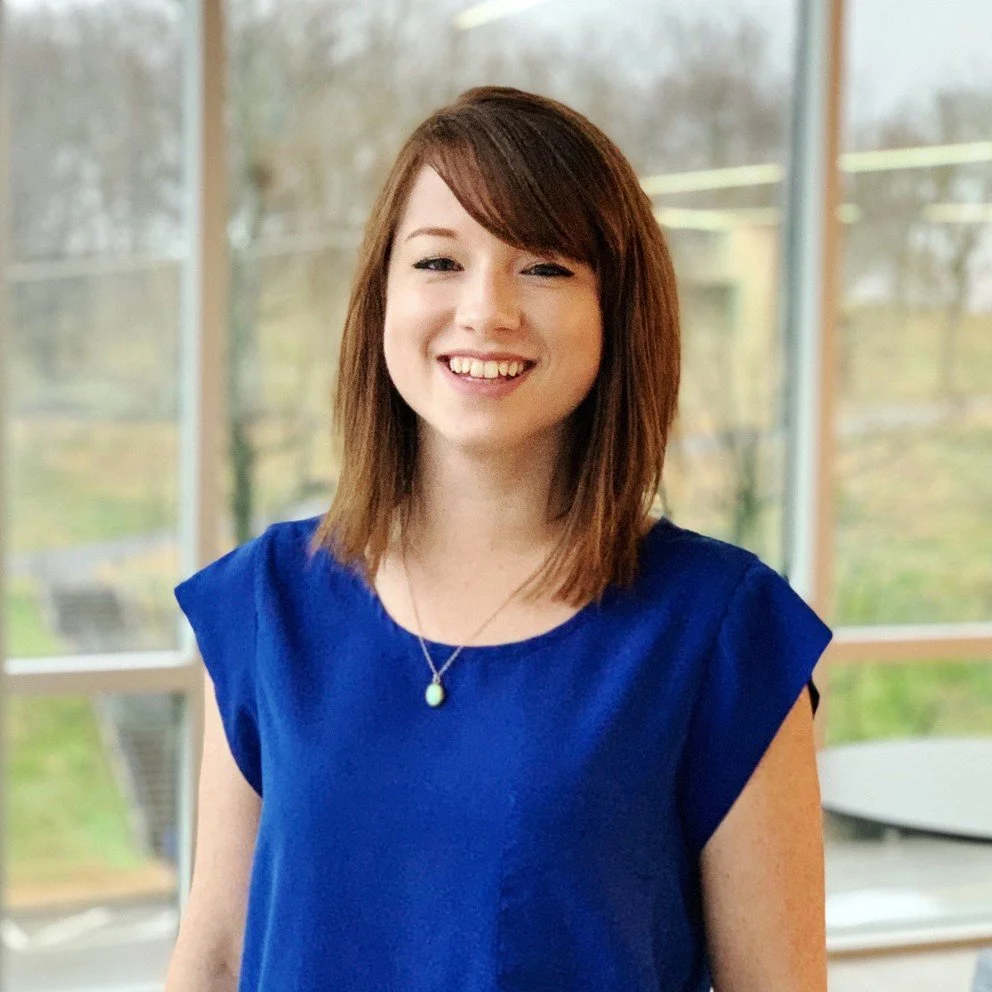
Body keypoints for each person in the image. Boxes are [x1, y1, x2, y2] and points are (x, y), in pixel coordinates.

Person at [166, 85, 832, 992]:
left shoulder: (720, 629)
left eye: (546, 267)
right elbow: (212, 957)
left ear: (617, 313)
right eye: (439, 262)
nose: (486, 311)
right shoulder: (266, 603)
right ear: (382, 298)